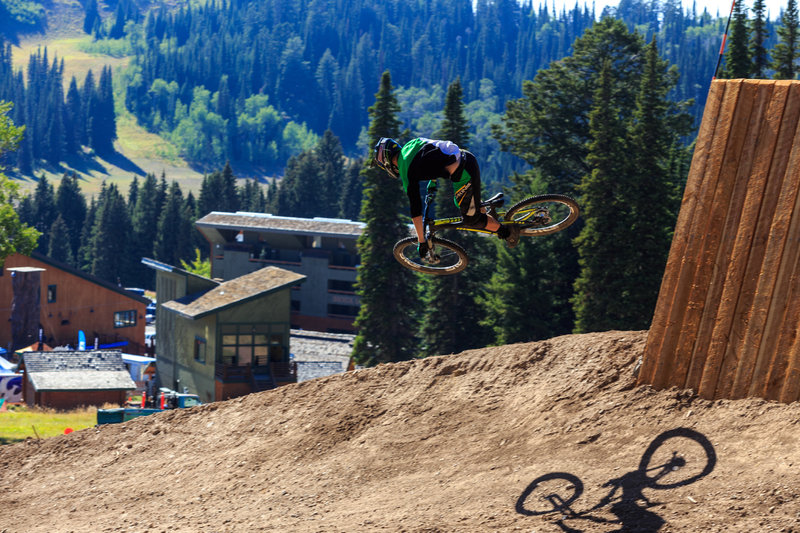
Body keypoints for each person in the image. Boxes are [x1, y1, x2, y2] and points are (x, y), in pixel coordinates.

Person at [373, 137, 519, 258]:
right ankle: (485, 207)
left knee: (471, 220)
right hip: (465, 158)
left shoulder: (405, 170)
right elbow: (432, 154)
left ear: (386, 163)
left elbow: (415, 211)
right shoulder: (411, 145)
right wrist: (432, 182)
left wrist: (421, 241)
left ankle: (506, 232)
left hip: (463, 172)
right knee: (459, 201)